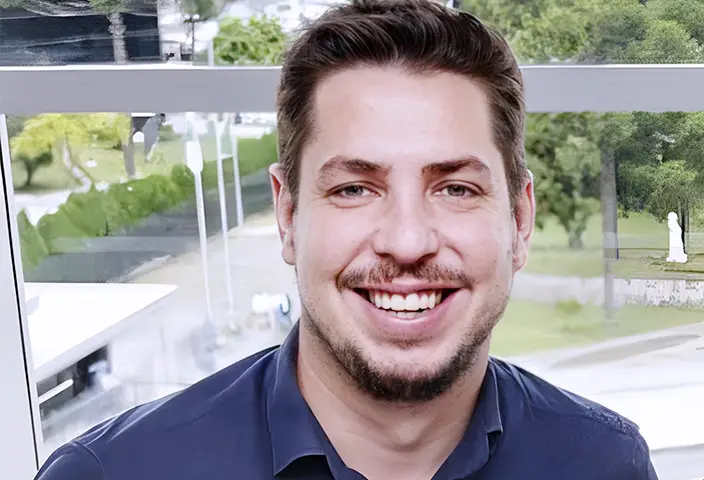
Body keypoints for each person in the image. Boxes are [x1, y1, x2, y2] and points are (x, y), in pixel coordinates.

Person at [36, 1, 661, 478]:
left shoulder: (605, 462)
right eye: (355, 188)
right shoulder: (112, 474)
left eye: (456, 188)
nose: (408, 241)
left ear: (519, 221)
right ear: (288, 215)